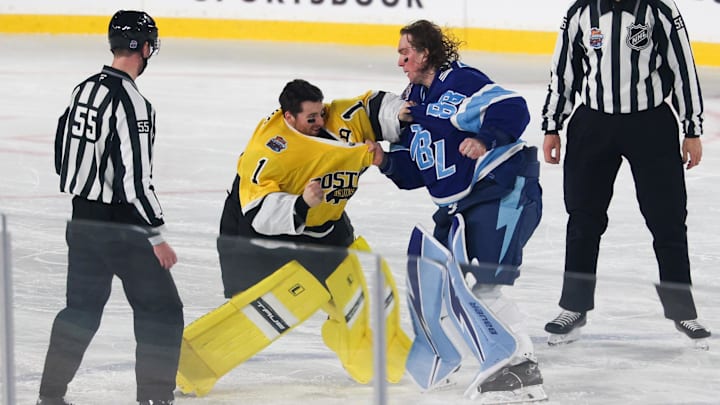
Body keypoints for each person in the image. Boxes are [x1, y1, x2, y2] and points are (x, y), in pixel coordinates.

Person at [175, 79, 410, 396]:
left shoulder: (338, 119)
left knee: (347, 285)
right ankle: (188, 366)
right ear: (289, 117)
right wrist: (301, 204)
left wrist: (403, 113)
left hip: (326, 224)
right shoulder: (271, 150)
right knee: (258, 302)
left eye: (321, 113)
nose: (319, 122)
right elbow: (256, 213)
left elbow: (373, 107)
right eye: (310, 118)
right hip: (254, 230)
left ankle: (365, 346)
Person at [366, 20, 545, 402]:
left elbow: (513, 107)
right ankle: (500, 360)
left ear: (425, 52)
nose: (400, 62)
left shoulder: (460, 82)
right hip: (462, 204)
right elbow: (419, 169)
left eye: (405, 53)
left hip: (503, 186)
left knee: (483, 285)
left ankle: (521, 368)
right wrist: (384, 159)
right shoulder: (414, 98)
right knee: (444, 288)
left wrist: (485, 138)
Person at [540, 0, 710, 346]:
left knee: (668, 219)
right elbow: (564, 71)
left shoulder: (659, 10)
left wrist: (692, 130)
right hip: (593, 124)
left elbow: (683, 68)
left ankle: (683, 311)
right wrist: (552, 125)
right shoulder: (580, 12)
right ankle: (574, 306)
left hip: (650, 124)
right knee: (583, 219)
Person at [39, 10, 183, 405]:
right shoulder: (133, 103)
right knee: (162, 310)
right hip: (122, 227)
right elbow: (135, 183)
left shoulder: (83, 89)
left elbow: (62, 156)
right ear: (146, 48)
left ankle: (49, 397)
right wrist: (156, 236)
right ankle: (155, 399)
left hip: (82, 219)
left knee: (80, 312)